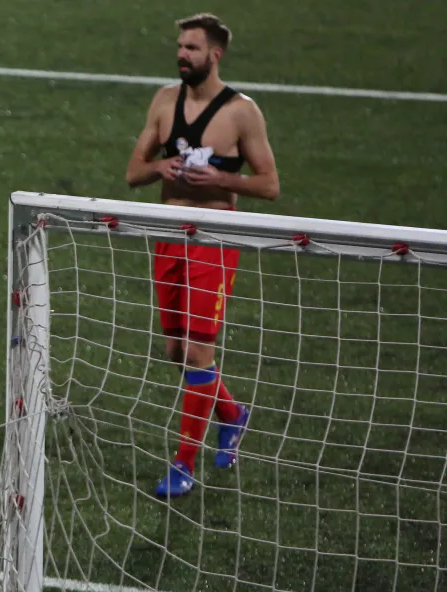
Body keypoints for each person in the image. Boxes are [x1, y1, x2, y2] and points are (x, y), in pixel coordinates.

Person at [125, 13, 280, 497]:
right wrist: (160, 167)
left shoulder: (241, 113)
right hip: (170, 237)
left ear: (215, 54)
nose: (181, 54)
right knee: (176, 352)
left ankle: (183, 464)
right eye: (180, 46)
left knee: (197, 351)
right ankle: (232, 414)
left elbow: (269, 185)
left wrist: (224, 181)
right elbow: (133, 172)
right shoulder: (164, 101)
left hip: (214, 242)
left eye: (192, 48)